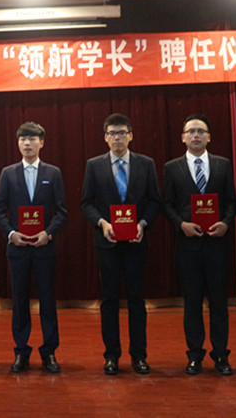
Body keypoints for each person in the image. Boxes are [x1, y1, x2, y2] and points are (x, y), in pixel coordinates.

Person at [81, 114, 160, 376]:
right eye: (112, 133)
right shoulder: (94, 165)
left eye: (122, 133)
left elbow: (154, 201)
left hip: (137, 242)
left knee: (136, 299)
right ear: (105, 137)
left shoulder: (146, 164)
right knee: (109, 300)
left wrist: (143, 223)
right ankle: (111, 356)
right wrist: (102, 223)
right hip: (108, 243)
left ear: (131, 135)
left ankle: (139, 356)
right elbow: (86, 203)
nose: (117, 137)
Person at [163, 114, 236, 376]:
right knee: (192, 303)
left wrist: (226, 223)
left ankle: (221, 354)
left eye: (201, 131)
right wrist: (181, 224)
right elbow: (167, 204)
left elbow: (231, 201)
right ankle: (194, 355)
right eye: (191, 131)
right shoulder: (172, 167)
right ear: (183, 137)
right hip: (188, 245)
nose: (196, 135)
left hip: (217, 244)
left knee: (219, 303)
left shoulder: (222, 164)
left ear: (209, 137)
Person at [0, 122, 68, 374]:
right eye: (23, 139)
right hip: (18, 249)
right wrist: (11, 233)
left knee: (47, 300)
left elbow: (62, 211)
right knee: (19, 301)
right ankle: (21, 352)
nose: (27, 143)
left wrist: (48, 233)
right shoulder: (8, 173)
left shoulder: (53, 173)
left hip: (44, 247)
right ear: (18, 143)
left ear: (41, 142)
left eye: (32, 139)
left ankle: (49, 352)